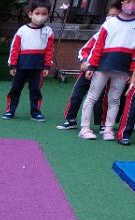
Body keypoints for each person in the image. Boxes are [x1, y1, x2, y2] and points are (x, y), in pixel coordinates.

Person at [57, 2, 122, 131]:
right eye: (109, 15)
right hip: (89, 70)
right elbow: (84, 50)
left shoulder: (122, 39)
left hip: (105, 72)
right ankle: (70, 119)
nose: (110, 18)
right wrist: (85, 61)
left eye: (114, 16)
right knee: (77, 94)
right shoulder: (99, 34)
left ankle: (103, 124)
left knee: (103, 100)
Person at [77, 0, 135, 141]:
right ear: (122, 2)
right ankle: (84, 128)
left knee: (114, 100)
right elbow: (98, 46)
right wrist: (92, 66)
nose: (131, 4)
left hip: (122, 69)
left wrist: (131, 71)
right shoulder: (109, 23)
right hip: (103, 67)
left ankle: (108, 129)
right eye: (128, 1)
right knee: (92, 97)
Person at [3, 0, 54, 121]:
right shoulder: (22, 30)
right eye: (37, 13)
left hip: (38, 67)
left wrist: (47, 66)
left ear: (48, 15)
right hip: (21, 65)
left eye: (44, 14)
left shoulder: (48, 31)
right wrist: (13, 65)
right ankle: (10, 110)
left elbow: (49, 49)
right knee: (15, 89)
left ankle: (35, 112)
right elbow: (15, 48)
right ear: (30, 14)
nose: (40, 16)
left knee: (36, 90)